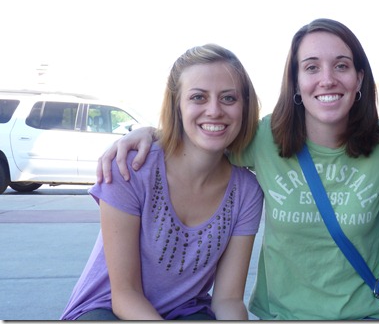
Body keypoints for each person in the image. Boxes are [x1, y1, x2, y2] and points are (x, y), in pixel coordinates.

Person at [96, 18, 379, 319]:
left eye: (341, 66)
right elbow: (207, 128)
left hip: (366, 315)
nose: (327, 79)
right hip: (281, 317)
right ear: (296, 80)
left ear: (360, 79)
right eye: (311, 67)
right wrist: (151, 134)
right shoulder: (263, 137)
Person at [61, 44, 264, 320]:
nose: (214, 110)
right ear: (177, 106)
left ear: (245, 107)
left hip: (186, 310)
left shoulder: (246, 191)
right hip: (108, 309)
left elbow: (228, 299)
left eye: (228, 98)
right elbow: (125, 294)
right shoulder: (131, 168)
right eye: (198, 97)